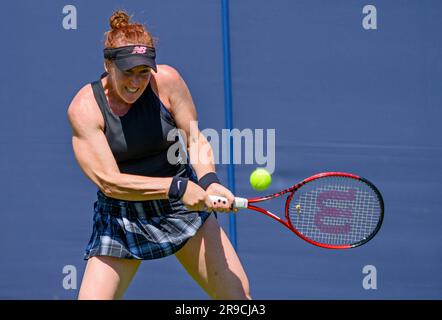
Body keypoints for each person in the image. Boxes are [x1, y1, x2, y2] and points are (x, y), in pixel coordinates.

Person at [67, 10, 251, 300]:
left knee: (237, 300)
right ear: (107, 64)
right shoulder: (85, 108)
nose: (135, 82)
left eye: (143, 73)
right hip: (122, 215)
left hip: (182, 208)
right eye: (127, 72)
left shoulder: (167, 81)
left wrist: (209, 181)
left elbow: (194, 138)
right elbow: (110, 183)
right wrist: (177, 188)